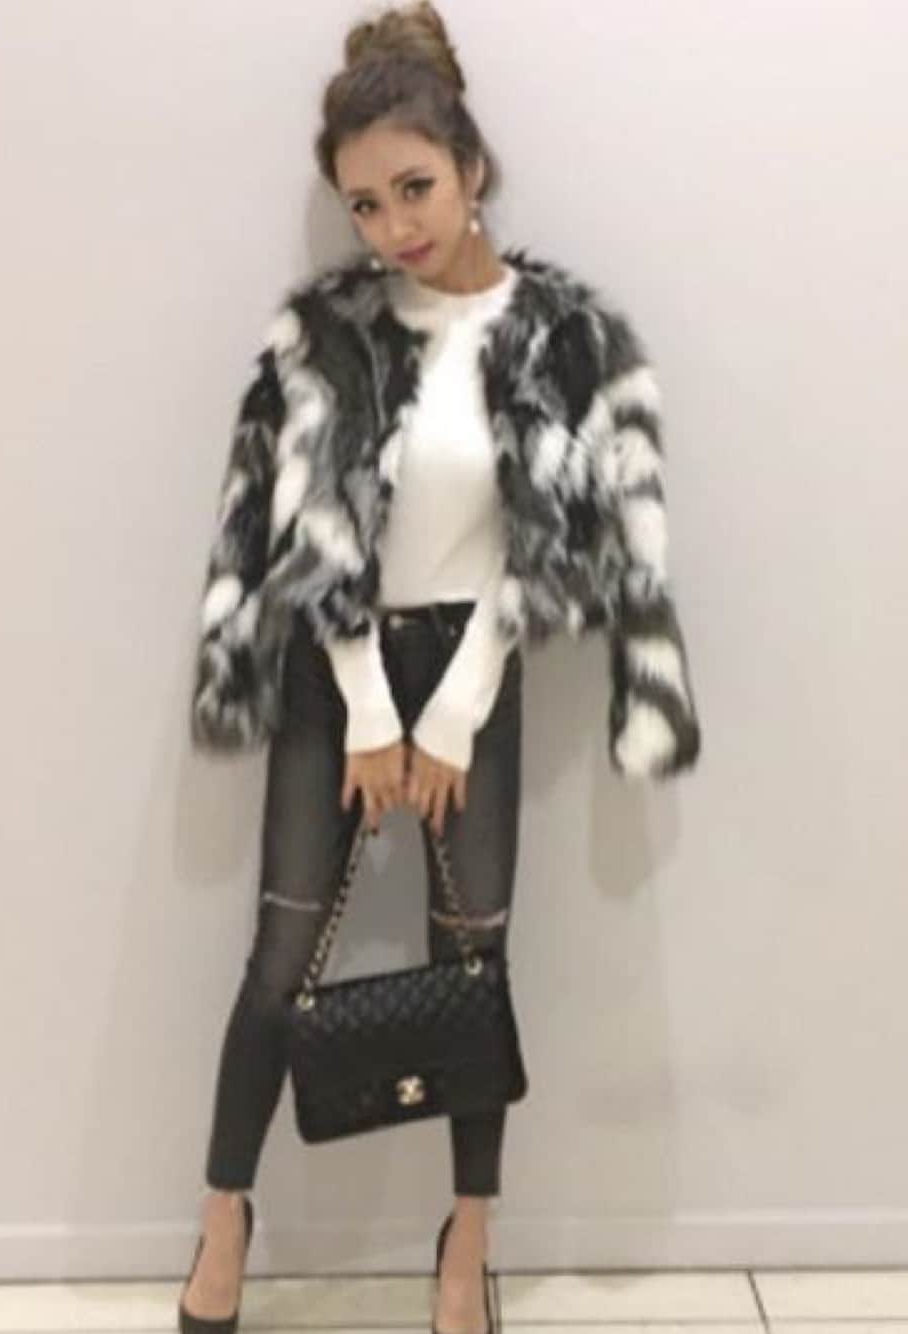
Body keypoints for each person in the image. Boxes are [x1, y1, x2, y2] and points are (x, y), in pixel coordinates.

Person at [179, 4, 702, 1333]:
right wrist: (369, 705)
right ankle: (224, 1214)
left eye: (414, 187)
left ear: (472, 166)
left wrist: (455, 709)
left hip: (478, 661)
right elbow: (310, 530)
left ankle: (466, 1241)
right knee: (280, 956)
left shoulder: (559, 334)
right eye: (365, 204)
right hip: (337, 664)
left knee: (475, 965)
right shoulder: (330, 332)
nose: (393, 225)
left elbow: (550, 553)